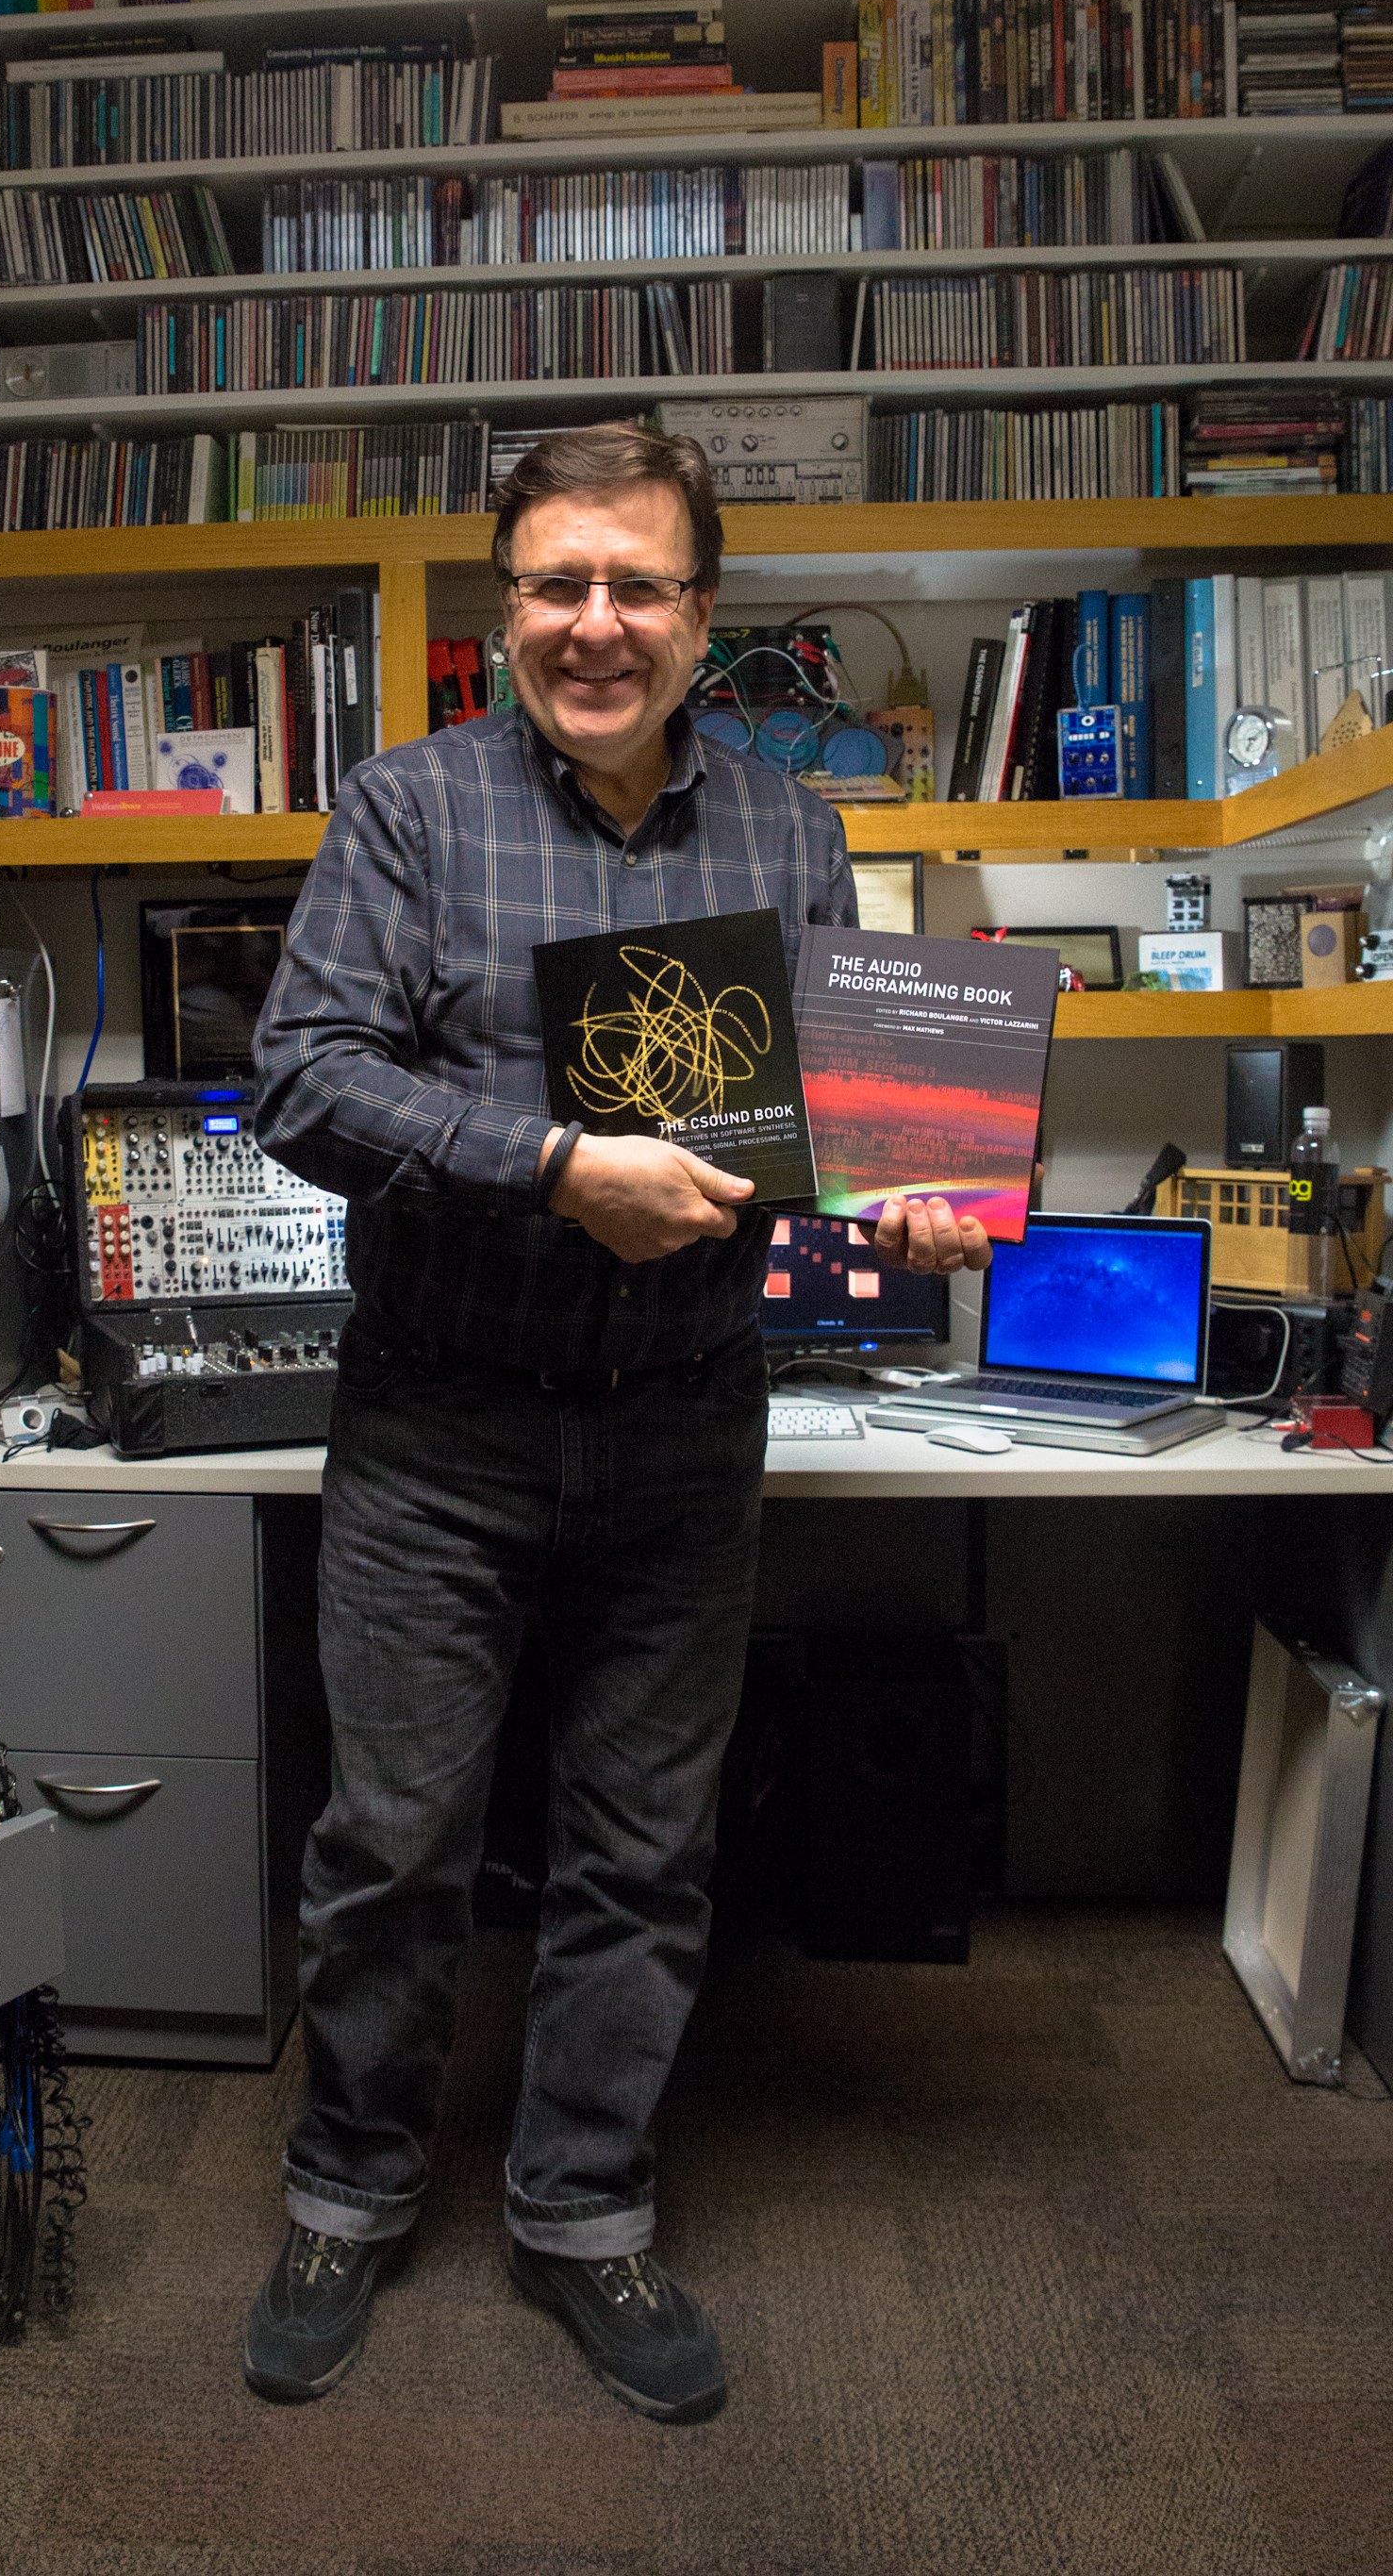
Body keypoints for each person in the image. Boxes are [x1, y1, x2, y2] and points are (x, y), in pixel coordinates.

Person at [245, 423, 990, 2424]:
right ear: (507, 613)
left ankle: (584, 2214)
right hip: (440, 1422)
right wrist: (556, 1162)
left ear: (698, 618)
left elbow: (831, 1121)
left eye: (637, 587)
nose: (597, 622)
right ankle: (350, 2183)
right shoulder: (405, 811)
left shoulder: (785, 829)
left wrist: (907, 1194)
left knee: (644, 1849)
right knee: (390, 1843)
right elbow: (301, 1081)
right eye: (558, 584)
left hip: (681, 1422)